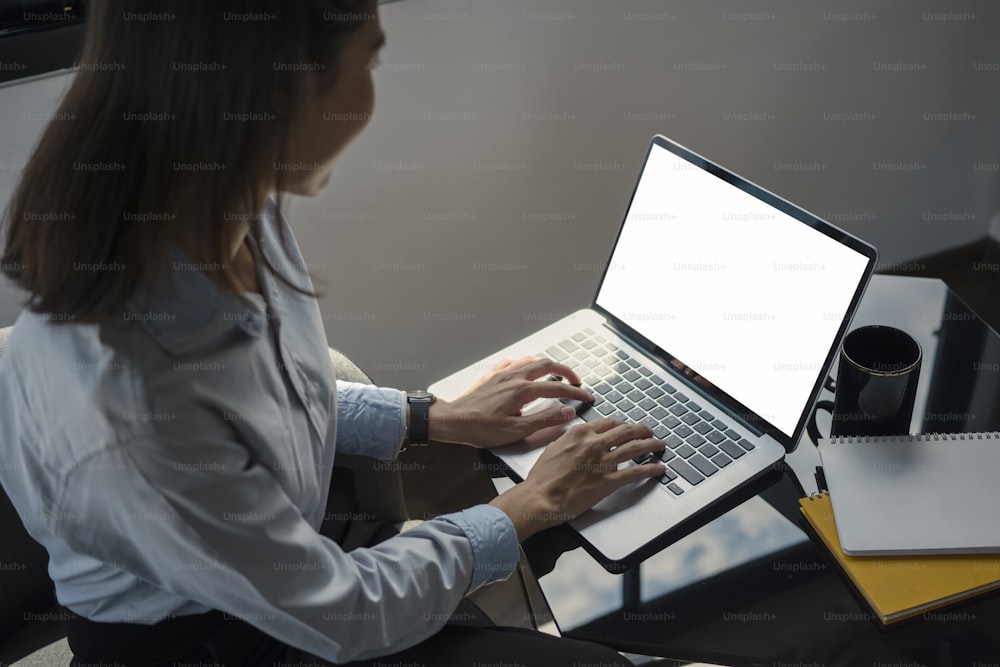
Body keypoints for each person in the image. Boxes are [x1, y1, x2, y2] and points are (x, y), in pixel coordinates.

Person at [0, 1, 668, 665]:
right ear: (278, 84)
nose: (373, 94)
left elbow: (259, 403)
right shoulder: (128, 399)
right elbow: (346, 611)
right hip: (225, 639)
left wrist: (435, 417)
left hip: (287, 563)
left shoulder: (229, 206)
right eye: (370, 58)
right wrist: (529, 504)